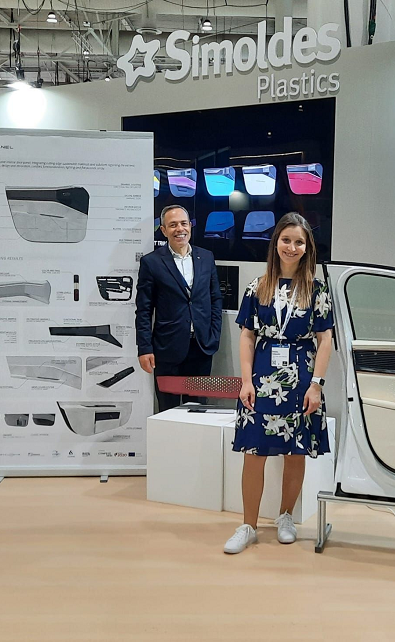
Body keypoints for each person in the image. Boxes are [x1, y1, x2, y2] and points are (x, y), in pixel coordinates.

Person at [223, 212, 334, 554]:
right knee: (253, 452)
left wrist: (317, 384)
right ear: (276, 243)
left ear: (307, 247)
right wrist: (245, 381)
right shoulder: (258, 286)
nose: (291, 247)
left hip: (301, 379)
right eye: (286, 240)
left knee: (295, 452)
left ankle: (286, 516)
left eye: (299, 242)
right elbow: (247, 335)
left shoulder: (316, 290)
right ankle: (248, 525)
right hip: (262, 378)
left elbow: (325, 340)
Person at [136, 205, 223, 411]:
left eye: (184, 223)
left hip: (201, 347)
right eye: (173, 225)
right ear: (164, 230)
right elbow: (144, 310)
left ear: (190, 226)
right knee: (168, 411)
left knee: (198, 410)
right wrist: (144, 348)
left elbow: (215, 299)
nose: (180, 229)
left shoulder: (206, 257)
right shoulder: (152, 262)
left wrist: (214, 334)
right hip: (167, 349)